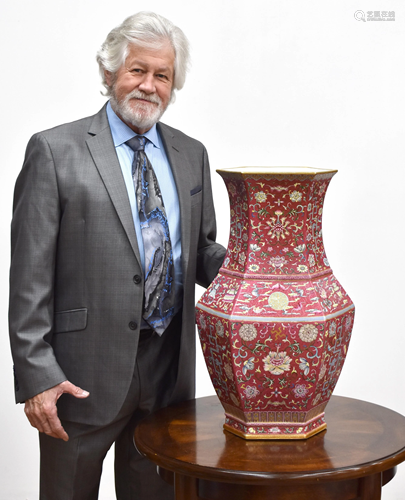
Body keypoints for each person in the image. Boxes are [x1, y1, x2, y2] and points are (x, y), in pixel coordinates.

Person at [9, 11, 226, 500]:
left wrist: (258, 269)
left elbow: (200, 250)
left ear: (174, 84)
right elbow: (29, 277)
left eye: (163, 75)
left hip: (167, 377)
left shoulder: (192, 154)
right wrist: (37, 376)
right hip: (79, 378)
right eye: (137, 70)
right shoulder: (54, 151)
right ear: (109, 74)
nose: (149, 86)